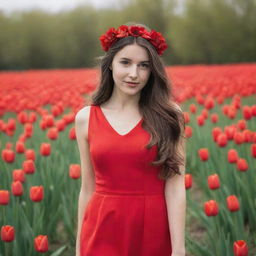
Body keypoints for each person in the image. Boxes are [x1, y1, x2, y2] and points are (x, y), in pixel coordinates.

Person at [75, 22, 186, 256]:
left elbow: (175, 187)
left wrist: (178, 250)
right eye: (125, 62)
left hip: (153, 227)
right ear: (110, 65)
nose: (134, 74)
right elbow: (87, 188)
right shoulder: (86, 118)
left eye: (143, 65)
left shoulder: (169, 115)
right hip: (101, 226)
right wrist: (78, 248)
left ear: (152, 70)